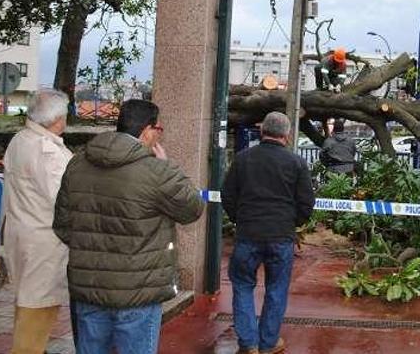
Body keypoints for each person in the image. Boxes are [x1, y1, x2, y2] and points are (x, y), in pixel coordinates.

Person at [53, 99, 204, 354]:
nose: (159, 134)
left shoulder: (77, 163)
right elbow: (192, 209)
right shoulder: (156, 171)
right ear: (147, 130)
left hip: (89, 287)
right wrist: (168, 166)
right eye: (159, 129)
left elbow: (63, 226)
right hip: (138, 292)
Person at [222, 112, 315, 354]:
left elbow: (228, 195)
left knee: (242, 286)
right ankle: (268, 343)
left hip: (248, 234)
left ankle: (248, 343)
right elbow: (306, 202)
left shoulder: (242, 159)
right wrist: (292, 223)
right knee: (276, 289)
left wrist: (238, 218)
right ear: (286, 134)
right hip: (281, 236)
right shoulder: (297, 163)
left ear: (262, 131)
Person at [2, 89, 73, 354]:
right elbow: (65, 198)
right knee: (38, 311)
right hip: (44, 243)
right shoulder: (48, 152)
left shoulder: (20, 140)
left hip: (21, 234)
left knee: (25, 304)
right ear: (57, 118)